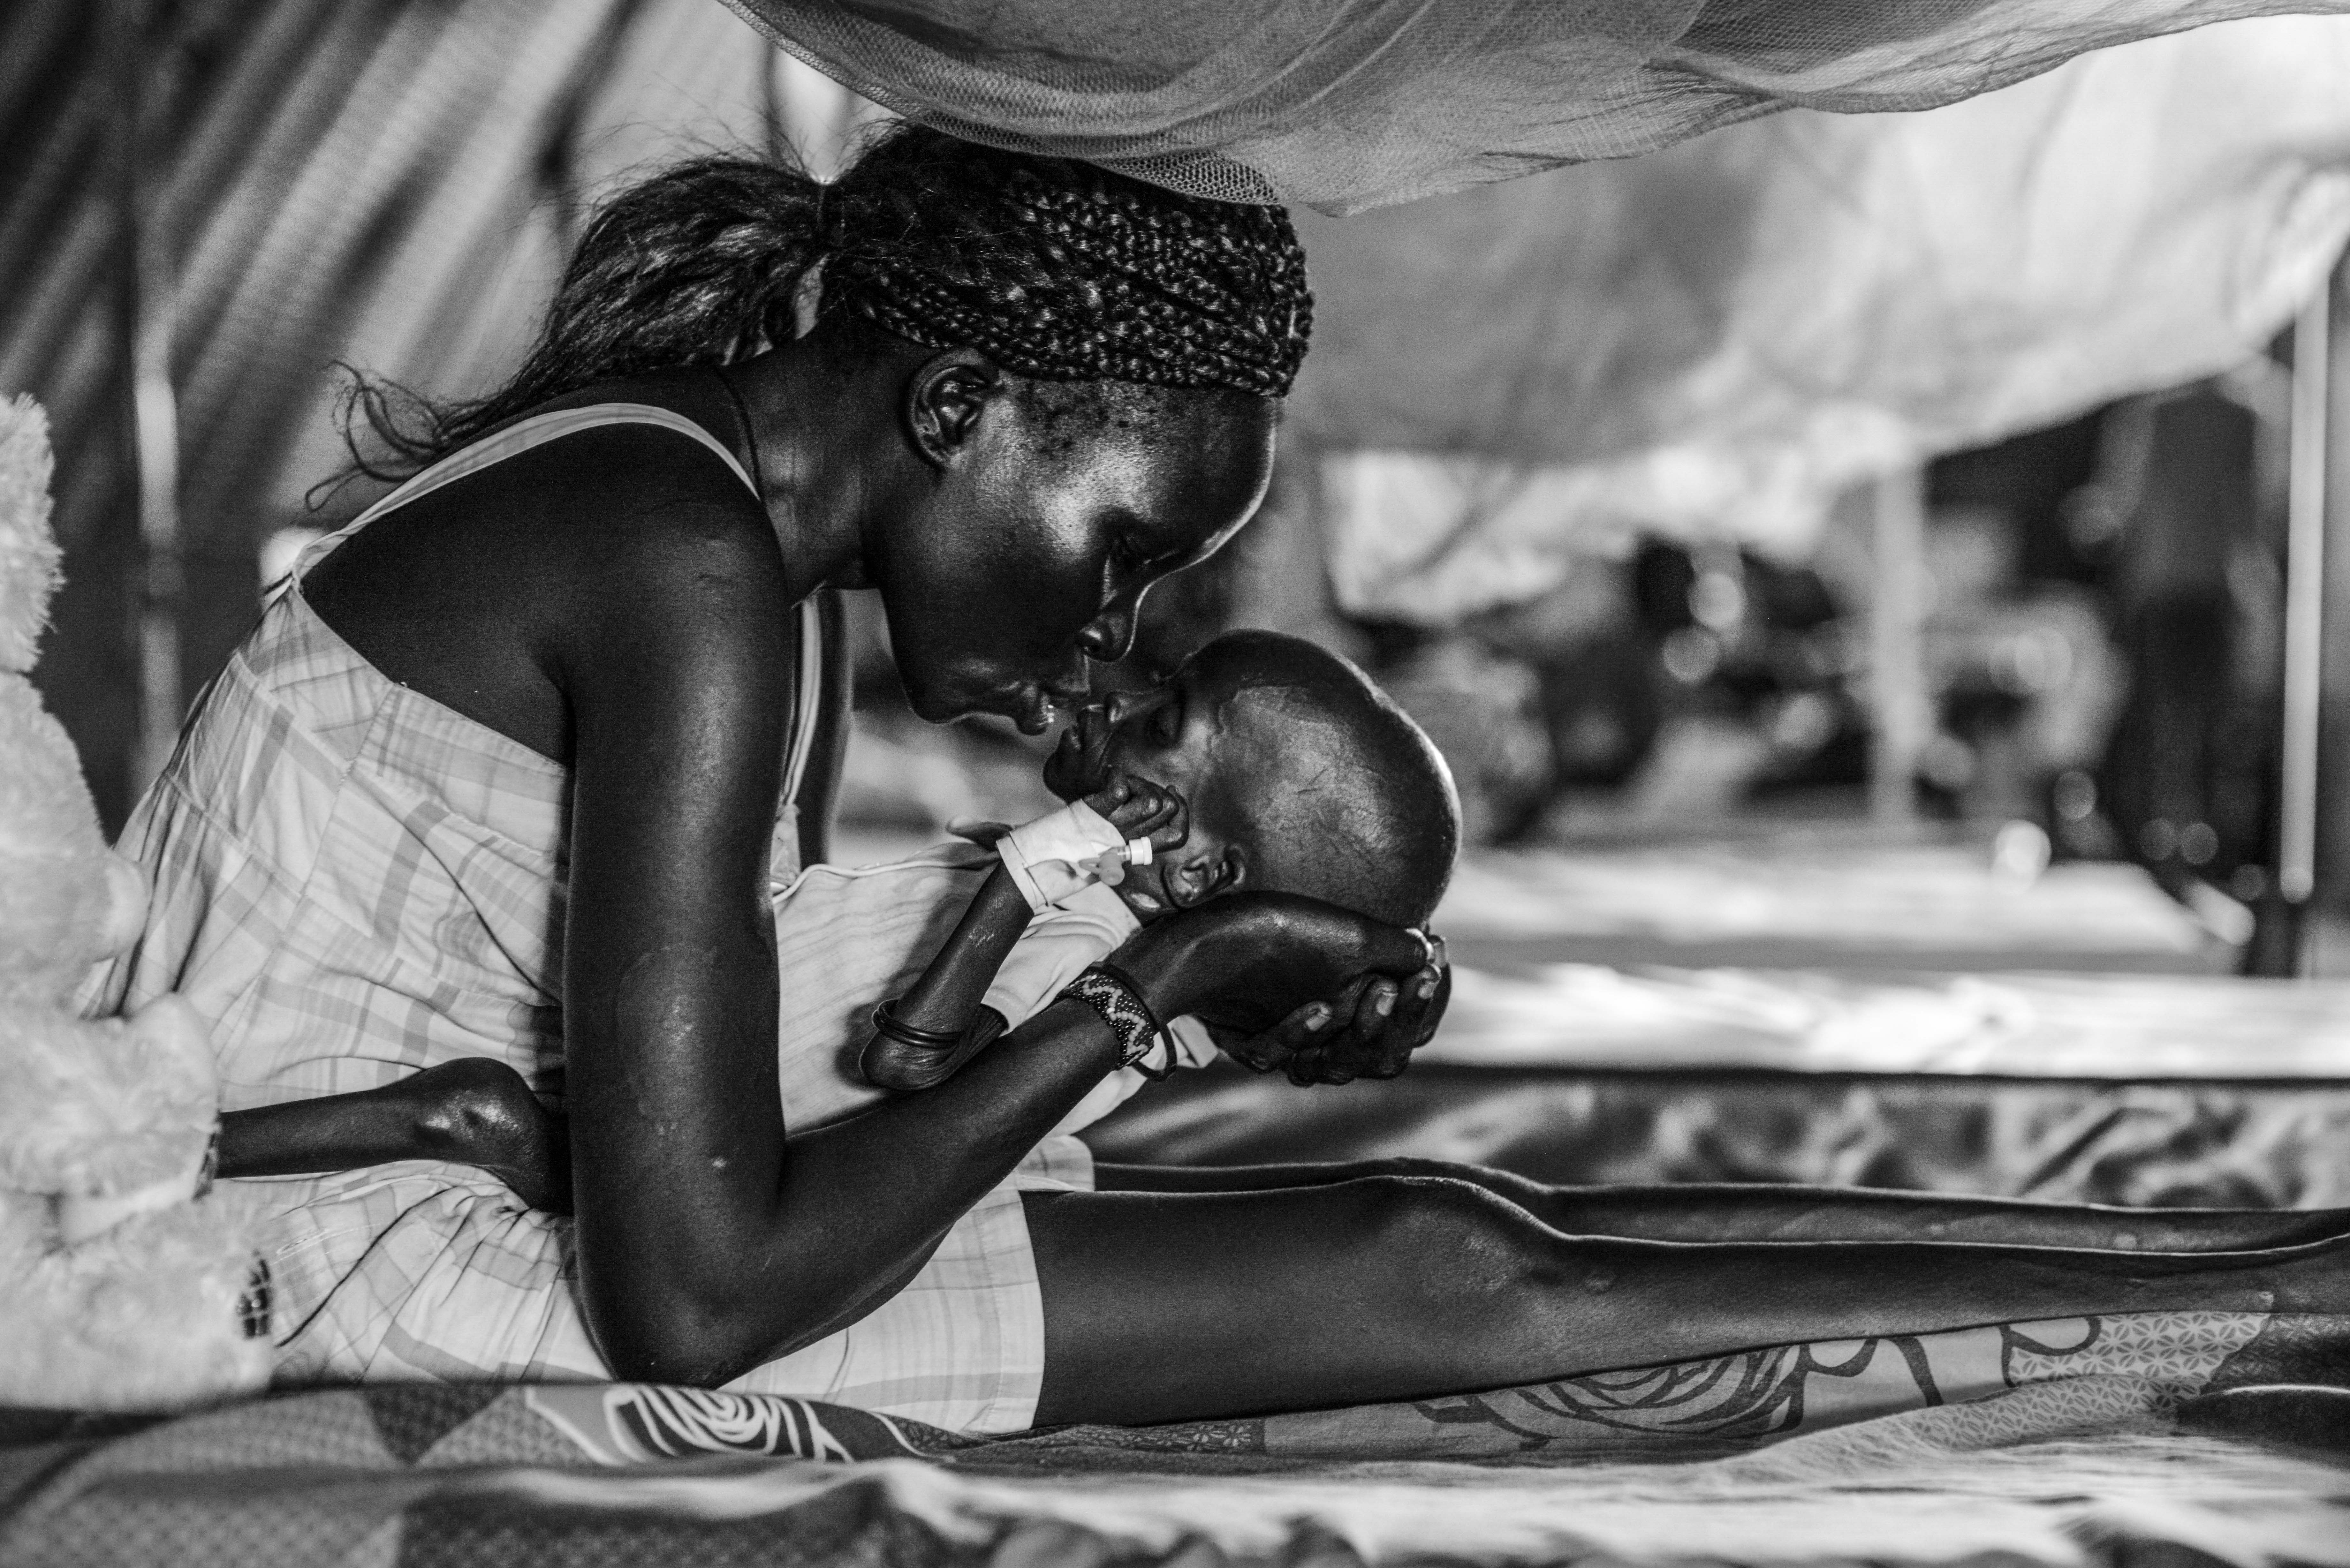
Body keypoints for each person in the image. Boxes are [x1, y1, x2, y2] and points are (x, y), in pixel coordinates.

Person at [85, 127, 1446, 1436]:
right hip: (268, 1258)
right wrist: (1165, 980)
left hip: (405, 1196)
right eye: (1122, 549)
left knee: (1402, 1236)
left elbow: (753, 1107)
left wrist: (1238, 995)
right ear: (957, 405)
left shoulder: (746, 554)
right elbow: (694, 1309)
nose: (1113, 631)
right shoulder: (687, 562)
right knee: (1397, 1260)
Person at [208, 628, 2349, 1431]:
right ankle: (2234, 1289)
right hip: (797, 1256)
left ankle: (2229, 1267)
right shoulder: (1049, 884)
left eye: (1148, 739)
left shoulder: (1070, 881)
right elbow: (909, 1064)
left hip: (845, 1198)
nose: (1094, 717)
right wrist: (1161, 974)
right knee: (1453, 1251)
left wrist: (1194, 976)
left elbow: (932, 1061)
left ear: (1187, 830)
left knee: (1483, 1206)